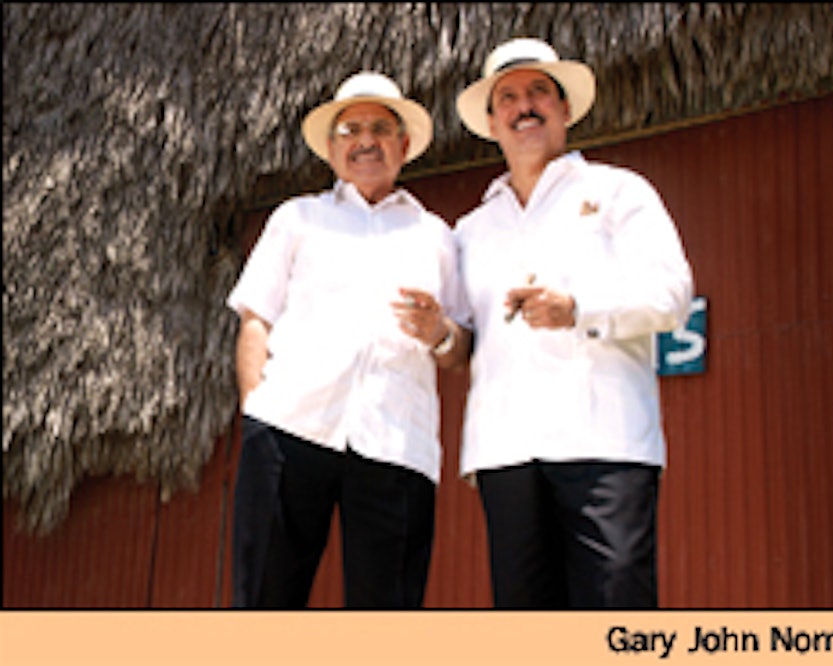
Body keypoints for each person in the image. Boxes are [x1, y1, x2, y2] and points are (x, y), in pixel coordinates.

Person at [451, 37, 695, 608]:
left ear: (565, 109)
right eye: (508, 97)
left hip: (603, 445)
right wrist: (434, 331)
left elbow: (671, 294)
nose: (524, 106)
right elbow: (460, 339)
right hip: (505, 456)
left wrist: (578, 308)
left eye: (540, 91)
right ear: (491, 120)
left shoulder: (618, 192)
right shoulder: (469, 230)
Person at [226, 71, 466, 608]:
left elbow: (462, 347)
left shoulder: (438, 237)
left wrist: (441, 334)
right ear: (331, 149)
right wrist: (256, 413)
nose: (366, 140)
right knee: (264, 605)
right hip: (290, 431)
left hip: (397, 445)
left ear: (404, 146)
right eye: (351, 128)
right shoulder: (296, 219)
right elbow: (255, 319)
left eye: (381, 128)